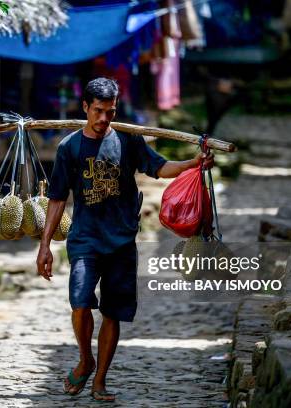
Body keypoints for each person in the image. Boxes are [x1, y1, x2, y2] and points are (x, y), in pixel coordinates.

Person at [36, 77, 214, 402]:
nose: (104, 119)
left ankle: (100, 379)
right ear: (86, 108)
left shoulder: (129, 141)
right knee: (79, 303)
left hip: (120, 241)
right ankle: (85, 358)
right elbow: (58, 198)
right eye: (99, 111)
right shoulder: (70, 148)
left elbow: (159, 168)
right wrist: (45, 245)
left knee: (112, 312)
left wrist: (193, 164)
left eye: (111, 112)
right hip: (85, 240)